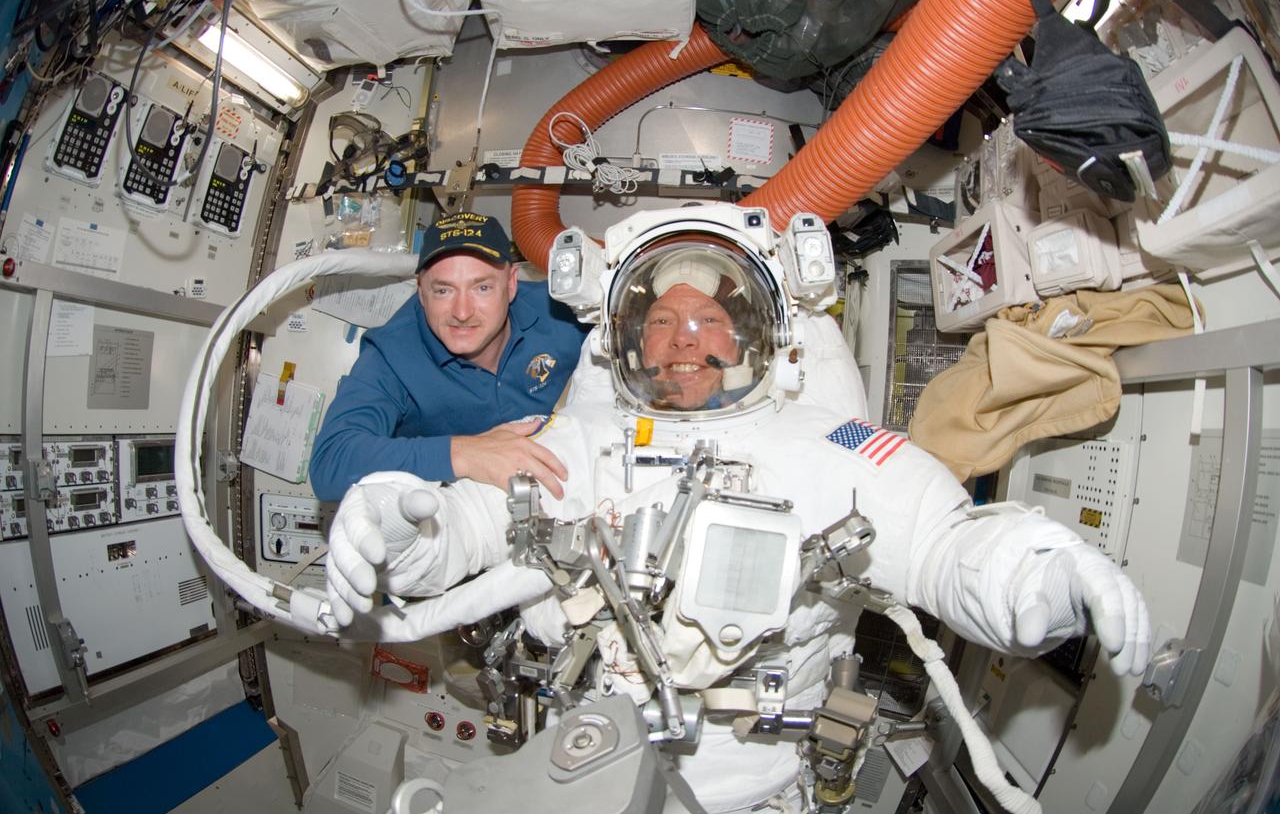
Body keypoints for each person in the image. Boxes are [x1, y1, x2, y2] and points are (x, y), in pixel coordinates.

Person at [320, 218, 1151, 812]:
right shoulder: (580, 436)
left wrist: (1033, 571)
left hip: (761, 785)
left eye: (710, 319)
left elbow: (942, 540)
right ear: (630, 345)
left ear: (752, 336)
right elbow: (463, 526)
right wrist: (400, 531)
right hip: (593, 769)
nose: (687, 339)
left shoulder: (830, 441)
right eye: (663, 322)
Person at [308, 212, 589, 502]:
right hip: (463, 512)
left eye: (482, 287)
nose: (463, 312)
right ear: (421, 292)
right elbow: (331, 461)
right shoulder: (393, 355)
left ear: (511, 283)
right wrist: (464, 453)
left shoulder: (562, 311)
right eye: (443, 290)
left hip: (574, 479)